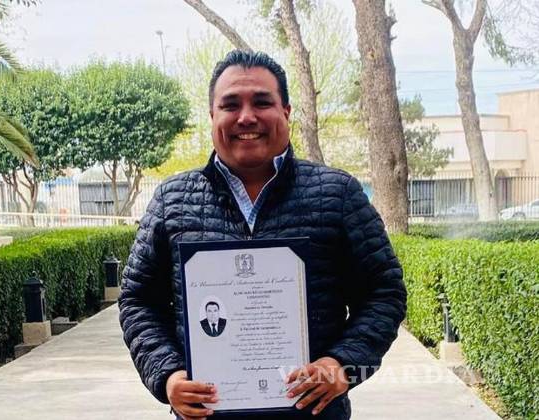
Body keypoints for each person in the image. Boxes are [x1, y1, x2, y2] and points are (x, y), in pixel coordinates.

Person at [119, 50, 407, 420]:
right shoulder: (172, 200)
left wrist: (342, 364)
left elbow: (384, 292)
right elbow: (138, 300)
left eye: (261, 102)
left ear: (286, 112)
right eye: (230, 105)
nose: (246, 117)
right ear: (212, 116)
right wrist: (167, 375)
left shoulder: (337, 194)